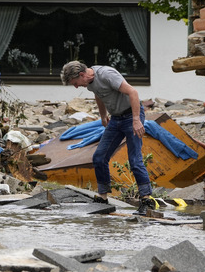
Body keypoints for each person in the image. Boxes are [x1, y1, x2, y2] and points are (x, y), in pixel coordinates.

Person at [61, 61, 156, 214]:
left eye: (75, 83)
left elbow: (133, 92)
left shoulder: (106, 74)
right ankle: (103, 197)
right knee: (99, 157)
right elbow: (99, 95)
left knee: (134, 159)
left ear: (81, 75)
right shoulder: (90, 82)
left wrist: (137, 120)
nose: (76, 87)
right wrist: (103, 116)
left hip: (131, 115)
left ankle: (146, 200)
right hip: (116, 119)